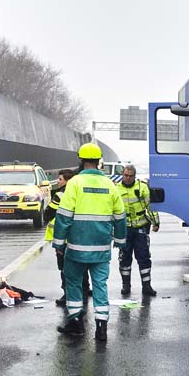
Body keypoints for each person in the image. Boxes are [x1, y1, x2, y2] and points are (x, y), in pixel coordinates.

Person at [53, 143, 126, 341]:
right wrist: (119, 241)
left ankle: (75, 323)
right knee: (100, 285)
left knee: (74, 283)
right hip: (101, 247)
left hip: (76, 247)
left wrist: (58, 242)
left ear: (81, 160)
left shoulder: (75, 183)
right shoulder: (110, 184)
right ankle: (101, 327)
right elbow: (120, 216)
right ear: (99, 161)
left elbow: (64, 216)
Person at [45, 169, 90, 307]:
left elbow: (48, 214)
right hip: (79, 236)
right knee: (81, 265)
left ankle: (67, 294)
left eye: (60, 179)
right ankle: (84, 290)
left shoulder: (59, 195)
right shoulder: (81, 194)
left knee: (65, 268)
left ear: (68, 181)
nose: (58, 182)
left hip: (63, 239)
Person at [114, 164, 160, 297]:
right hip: (124, 229)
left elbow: (150, 207)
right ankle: (126, 285)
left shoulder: (142, 187)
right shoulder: (116, 189)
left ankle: (147, 286)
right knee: (124, 259)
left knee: (144, 258)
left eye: (130, 176)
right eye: (125, 175)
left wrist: (156, 222)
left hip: (140, 228)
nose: (128, 178)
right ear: (122, 175)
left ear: (135, 176)